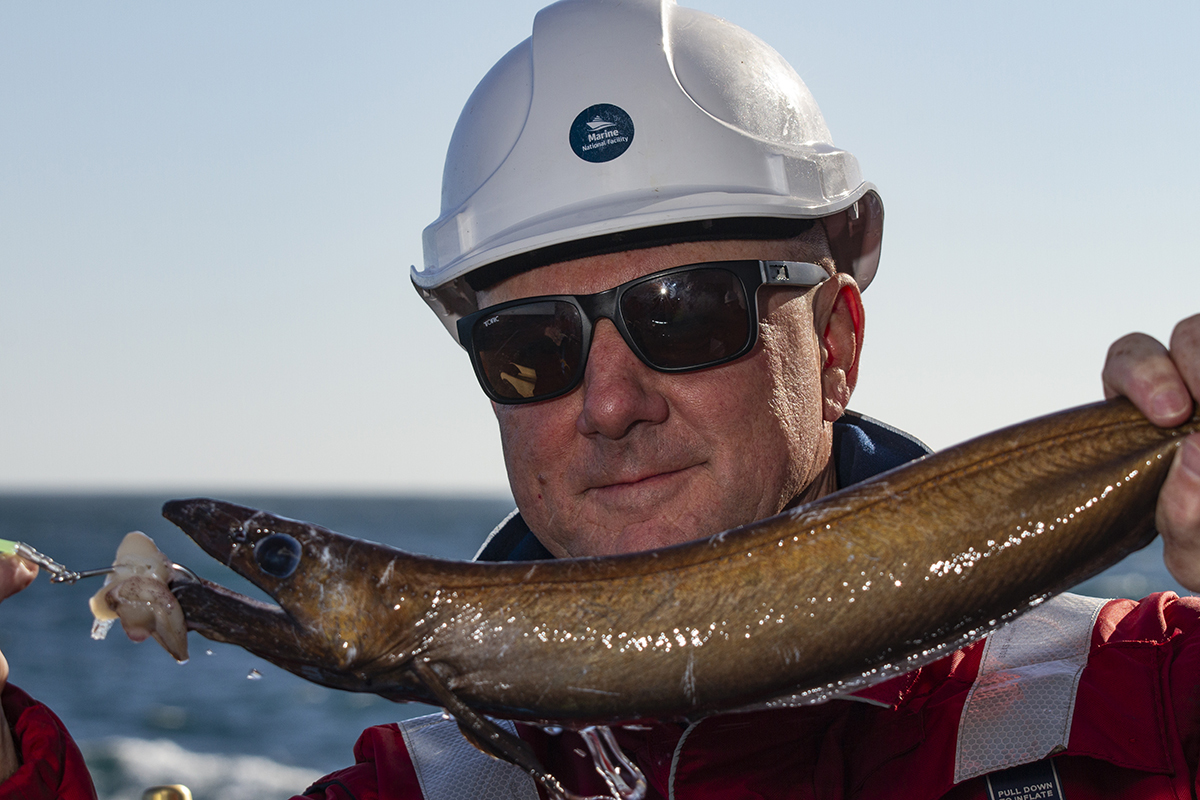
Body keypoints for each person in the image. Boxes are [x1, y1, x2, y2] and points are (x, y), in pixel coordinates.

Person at [1, 0, 1198, 797]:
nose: (610, 401)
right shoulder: (406, 791)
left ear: (835, 344)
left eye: (688, 311)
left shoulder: (1150, 704)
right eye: (527, 346)